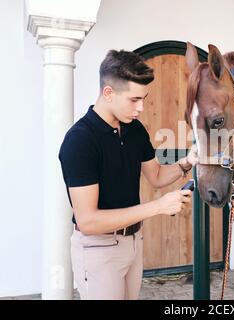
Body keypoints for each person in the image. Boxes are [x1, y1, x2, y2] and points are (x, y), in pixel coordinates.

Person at [59, 49, 197, 300]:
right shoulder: (80, 140)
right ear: (108, 93)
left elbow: (155, 176)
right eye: (134, 100)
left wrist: (188, 162)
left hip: (134, 242)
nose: (141, 107)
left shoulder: (134, 130)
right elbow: (88, 221)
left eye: (144, 98)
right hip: (98, 250)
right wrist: (158, 207)